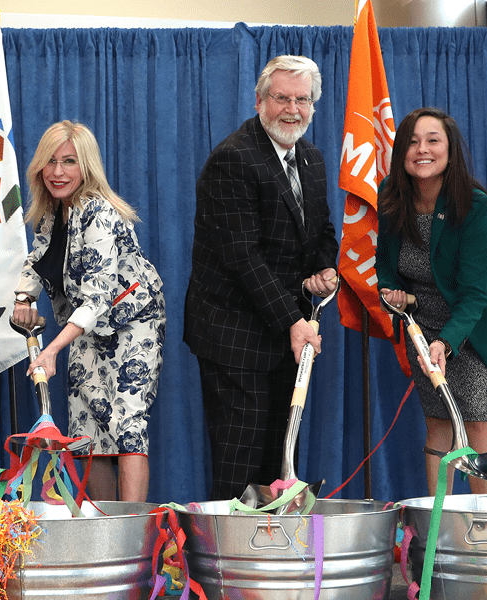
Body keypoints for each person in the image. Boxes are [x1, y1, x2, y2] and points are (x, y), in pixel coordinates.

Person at [184, 55, 339, 501]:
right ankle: (227, 547)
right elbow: (242, 257)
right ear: (258, 101)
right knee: (239, 469)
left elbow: (322, 229)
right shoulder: (233, 158)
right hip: (234, 337)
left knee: (279, 468)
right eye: (281, 98)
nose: (292, 109)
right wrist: (294, 321)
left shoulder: (311, 158)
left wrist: (324, 269)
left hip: (285, 332)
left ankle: (271, 544)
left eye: (302, 100)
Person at [12, 121, 166, 503]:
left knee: (127, 427)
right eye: (50, 161)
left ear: (87, 166)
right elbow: (38, 259)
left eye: (69, 161)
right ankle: (103, 528)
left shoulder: (98, 212)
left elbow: (97, 297)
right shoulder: (52, 212)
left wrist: (51, 350)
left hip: (132, 322)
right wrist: (24, 299)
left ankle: (130, 529)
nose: (58, 171)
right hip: (86, 325)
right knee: (88, 427)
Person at [375, 108, 487, 496]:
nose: (422, 149)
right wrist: (391, 292)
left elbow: (475, 294)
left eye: (433, 140)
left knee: (475, 417)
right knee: (437, 419)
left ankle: (484, 519)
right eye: (412, 142)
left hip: (471, 326)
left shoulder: (473, 205)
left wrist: (446, 342)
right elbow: (385, 264)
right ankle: (436, 518)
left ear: (450, 149)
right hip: (420, 324)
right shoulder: (391, 194)